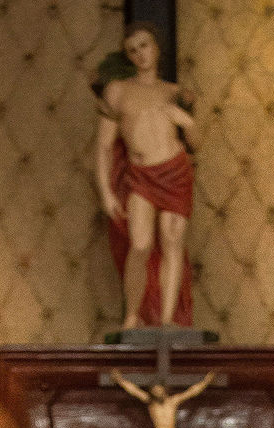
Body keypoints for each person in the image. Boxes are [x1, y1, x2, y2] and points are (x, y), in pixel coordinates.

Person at [96, 24, 196, 330]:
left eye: (145, 45)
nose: (141, 54)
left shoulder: (175, 93)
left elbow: (197, 143)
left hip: (175, 172)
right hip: (142, 176)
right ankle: (132, 316)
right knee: (140, 245)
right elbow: (104, 146)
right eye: (133, 49)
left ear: (157, 47)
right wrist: (105, 191)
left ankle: (166, 320)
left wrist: (188, 123)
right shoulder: (118, 91)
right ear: (128, 55)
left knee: (172, 241)